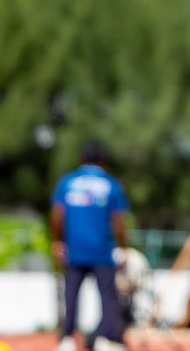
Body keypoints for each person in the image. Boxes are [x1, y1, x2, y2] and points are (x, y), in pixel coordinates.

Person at [51, 141, 131, 351]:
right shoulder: (111, 184)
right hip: (102, 250)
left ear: (80, 159)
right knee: (108, 296)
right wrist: (124, 247)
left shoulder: (67, 182)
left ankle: (67, 339)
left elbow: (57, 215)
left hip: (74, 249)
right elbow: (118, 221)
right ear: (104, 161)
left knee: (71, 296)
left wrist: (58, 241)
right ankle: (106, 339)